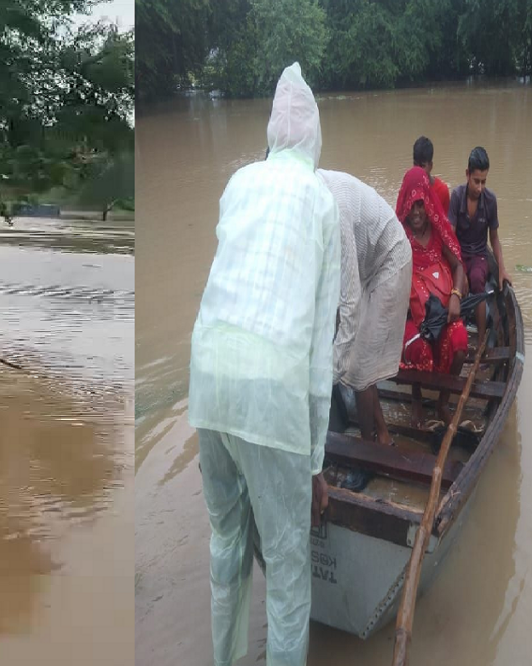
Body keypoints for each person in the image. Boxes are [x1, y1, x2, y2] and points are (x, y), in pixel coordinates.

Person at [188, 62, 340, 666]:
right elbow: (318, 349)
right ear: (315, 137)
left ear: (273, 133)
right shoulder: (322, 201)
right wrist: (316, 462)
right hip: (273, 392)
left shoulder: (239, 183)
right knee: (287, 570)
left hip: (208, 379)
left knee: (225, 544)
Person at [317, 170, 412, 447]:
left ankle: (368, 445)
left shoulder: (332, 208)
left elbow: (349, 300)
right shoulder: (299, 203)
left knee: (358, 368)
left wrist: (333, 373)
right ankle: (383, 434)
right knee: (358, 362)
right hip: (363, 263)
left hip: (389, 259)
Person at [396, 166, 468, 428]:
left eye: (420, 204)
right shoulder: (399, 236)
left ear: (427, 202)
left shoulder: (439, 231)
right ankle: (416, 398)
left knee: (460, 341)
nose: (416, 212)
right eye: (411, 205)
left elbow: (458, 264)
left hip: (443, 310)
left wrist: (456, 296)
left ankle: (442, 401)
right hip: (411, 317)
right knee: (419, 346)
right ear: (404, 204)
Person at [448, 146, 510, 347]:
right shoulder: (457, 197)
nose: (480, 187)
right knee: (455, 285)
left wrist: (502, 269)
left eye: (484, 181)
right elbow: (450, 238)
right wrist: (459, 271)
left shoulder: (490, 200)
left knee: (476, 281)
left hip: (479, 256)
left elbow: (494, 238)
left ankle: (482, 340)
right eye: (476, 181)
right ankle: (454, 336)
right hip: (458, 254)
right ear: (467, 174)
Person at [413, 136, 451, 214]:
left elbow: (445, 223)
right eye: (416, 165)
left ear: (430, 166)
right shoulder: (409, 188)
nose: (418, 170)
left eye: (422, 166)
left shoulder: (442, 190)